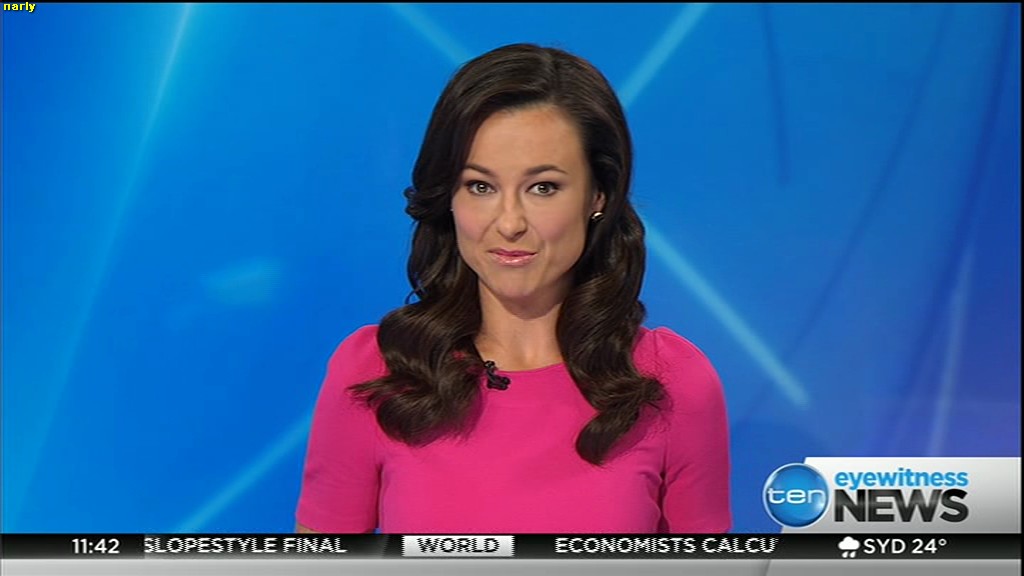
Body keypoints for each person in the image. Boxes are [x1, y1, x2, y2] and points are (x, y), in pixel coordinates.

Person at [295, 43, 730, 534]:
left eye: (543, 187)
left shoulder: (672, 383)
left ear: (598, 195)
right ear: (449, 197)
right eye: (480, 186)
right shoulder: (377, 372)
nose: (508, 223)